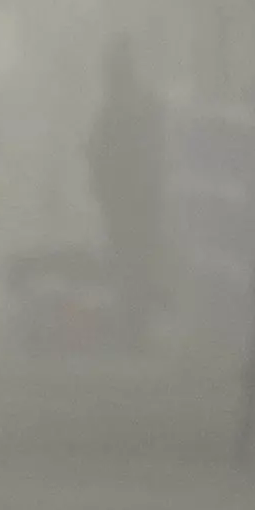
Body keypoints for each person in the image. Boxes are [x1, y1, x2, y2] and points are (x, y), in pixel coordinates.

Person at [88, 38, 172, 334]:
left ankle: (134, 320)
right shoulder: (130, 107)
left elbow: (102, 154)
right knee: (132, 258)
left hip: (132, 197)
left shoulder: (127, 108)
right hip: (130, 198)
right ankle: (133, 320)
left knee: (132, 258)